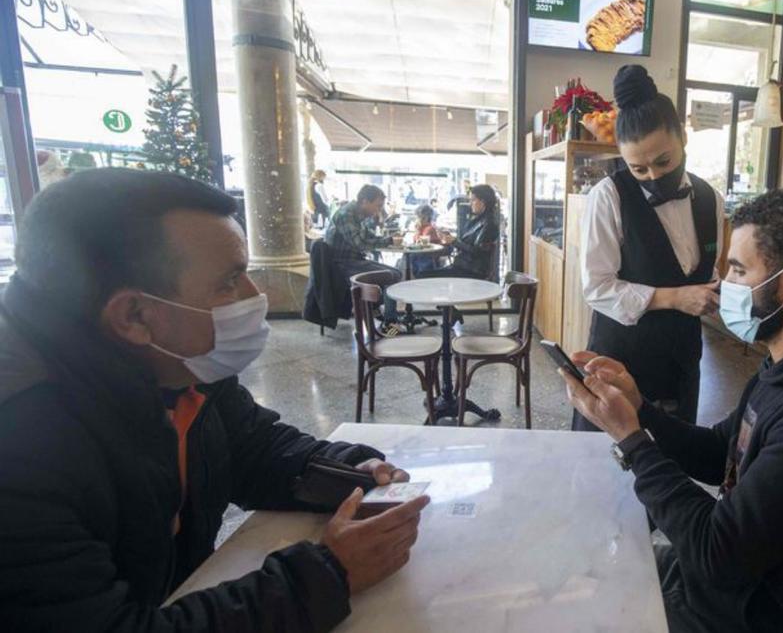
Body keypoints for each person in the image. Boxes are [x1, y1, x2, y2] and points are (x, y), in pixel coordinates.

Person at [0, 169, 430, 631]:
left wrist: (349, 472)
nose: (254, 295)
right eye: (229, 282)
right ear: (134, 315)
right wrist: (330, 573)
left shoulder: (178, 363)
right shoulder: (22, 444)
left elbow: (250, 449)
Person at [560, 187, 783, 632]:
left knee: (587, 612)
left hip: (773, 613)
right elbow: (717, 452)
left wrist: (631, 440)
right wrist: (640, 408)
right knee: (596, 563)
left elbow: (716, 555)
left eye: (739, 270)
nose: (723, 284)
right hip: (745, 585)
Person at [576, 64, 724, 430]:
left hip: (682, 359)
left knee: (674, 461)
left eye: (664, 161)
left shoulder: (711, 198)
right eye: (639, 169)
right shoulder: (607, 197)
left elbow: (707, 270)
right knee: (609, 465)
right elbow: (597, 287)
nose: (654, 177)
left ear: (683, 138)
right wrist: (674, 298)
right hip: (621, 356)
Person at [325, 184, 404, 325]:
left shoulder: (359, 215)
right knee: (392, 276)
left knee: (396, 273)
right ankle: (390, 323)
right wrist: (385, 242)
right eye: (378, 206)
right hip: (341, 264)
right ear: (365, 201)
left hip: (354, 260)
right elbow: (359, 244)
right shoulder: (346, 215)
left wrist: (390, 240)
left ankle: (379, 313)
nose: (379, 210)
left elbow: (369, 237)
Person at [420, 184, 501, 280]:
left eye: (473, 200)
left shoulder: (489, 224)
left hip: (471, 272)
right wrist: (451, 239)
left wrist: (454, 241)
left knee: (423, 276)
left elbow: (478, 252)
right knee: (423, 274)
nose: (470, 203)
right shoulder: (478, 220)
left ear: (483, 202)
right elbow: (468, 244)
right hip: (463, 267)